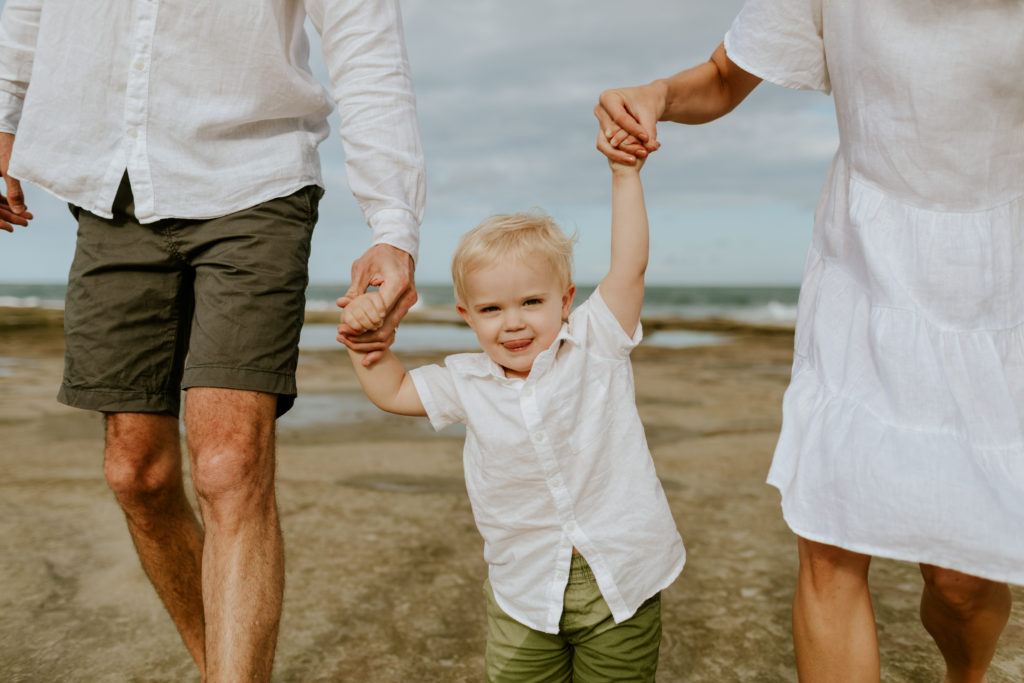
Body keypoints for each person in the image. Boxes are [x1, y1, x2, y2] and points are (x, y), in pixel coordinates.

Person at [594, 1, 1022, 681]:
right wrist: (658, 96)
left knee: (959, 581)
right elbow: (723, 76)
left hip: (998, 274)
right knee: (831, 543)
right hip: (862, 258)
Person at [0, 0, 425, 680]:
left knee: (229, 463)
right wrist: (5, 111)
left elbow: (365, 38)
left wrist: (393, 223)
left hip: (254, 178)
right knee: (136, 472)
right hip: (112, 184)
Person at [339, 152, 683, 681]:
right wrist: (367, 344)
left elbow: (629, 266)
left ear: (565, 300)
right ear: (467, 316)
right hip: (524, 590)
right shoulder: (465, 381)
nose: (513, 323)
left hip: (621, 578)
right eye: (492, 309)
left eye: (531, 302)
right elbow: (396, 390)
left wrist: (624, 174)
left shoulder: (596, 342)